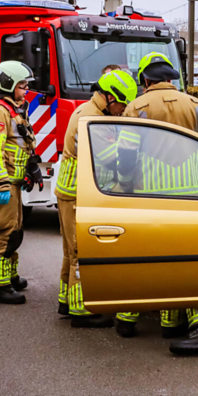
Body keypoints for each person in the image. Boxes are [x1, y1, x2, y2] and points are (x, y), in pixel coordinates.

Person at [114, 52, 198, 355]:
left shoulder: (136, 107)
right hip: (190, 196)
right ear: (170, 78)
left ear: (145, 80)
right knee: (190, 261)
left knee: (144, 260)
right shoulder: (196, 105)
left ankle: (127, 319)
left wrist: (124, 185)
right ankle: (191, 323)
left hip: (150, 196)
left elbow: (126, 156)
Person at [55, 67, 136, 328]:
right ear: (110, 97)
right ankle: (81, 311)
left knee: (70, 251)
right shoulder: (91, 119)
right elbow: (111, 158)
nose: (123, 110)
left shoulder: (90, 112)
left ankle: (66, 301)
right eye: (122, 104)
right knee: (81, 251)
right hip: (78, 192)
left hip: (72, 190)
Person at [0, 60, 39, 305]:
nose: (26, 90)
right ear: (8, 84)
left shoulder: (13, 107)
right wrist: (2, 182)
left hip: (11, 181)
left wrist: (29, 168)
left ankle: (9, 276)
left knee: (15, 232)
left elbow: (20, 142)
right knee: (1, 233)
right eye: (22, 85)